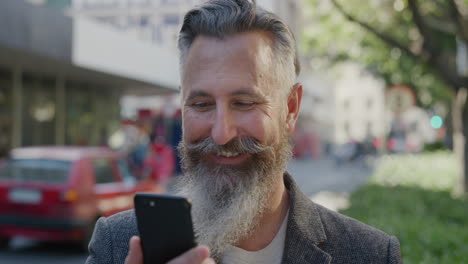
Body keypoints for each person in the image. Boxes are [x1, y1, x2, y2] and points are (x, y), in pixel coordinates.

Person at [86, 0, 403, 263]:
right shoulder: (117, 244)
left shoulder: (370, 254)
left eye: (244, 102)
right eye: (201, 104)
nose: (222, 133)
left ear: (290, 109)